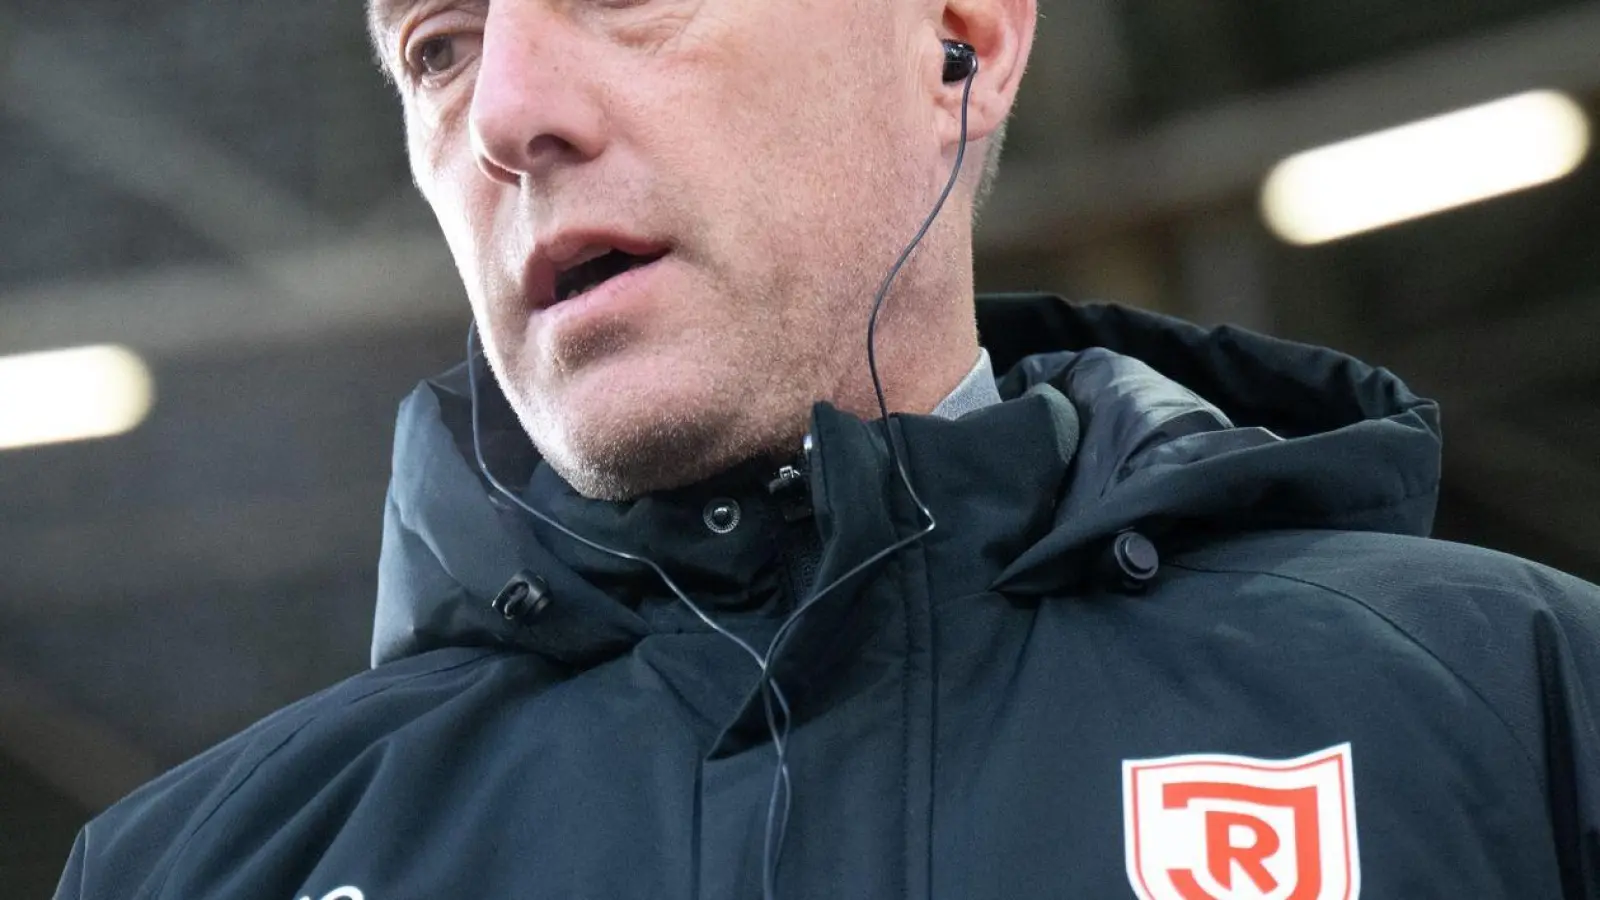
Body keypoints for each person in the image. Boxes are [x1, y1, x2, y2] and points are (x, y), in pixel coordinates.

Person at [55, 0, 1600, 897]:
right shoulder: (196, 871)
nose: (508, 110)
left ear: (963, 39)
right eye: (442, 45)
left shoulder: (1520, 712)